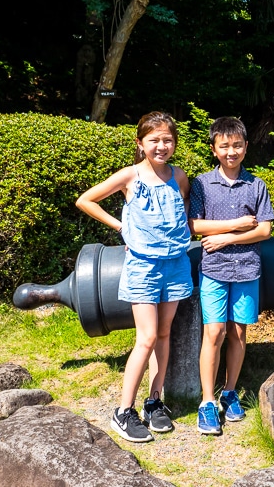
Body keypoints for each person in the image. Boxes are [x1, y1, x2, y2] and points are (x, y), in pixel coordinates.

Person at [76, 111, 192, 443]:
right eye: (154, 140)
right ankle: (124, 411)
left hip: (176, 264)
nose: (162, 146)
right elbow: (86, 200)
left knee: (165, 333)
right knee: (147, 337)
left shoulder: (179, 176)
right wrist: (121, 227)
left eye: (168, 140)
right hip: (143, 266)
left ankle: (155, 402)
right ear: (140, 143)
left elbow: (181, 210)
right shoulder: (129, 176)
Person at [189, 116, 274, 435]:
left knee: (238, 333)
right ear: (214, 149)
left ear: (246, 147)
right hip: (213, 270)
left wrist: (228, 237)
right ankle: (207, 401)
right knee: (214, 334)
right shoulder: (201, 184)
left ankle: (229, 392)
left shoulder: (256, 185)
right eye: (224, 146)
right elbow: (194, 226)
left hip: (247, 269)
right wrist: (238, 224)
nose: (231, 151)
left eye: (237, 145)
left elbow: (264, 229)